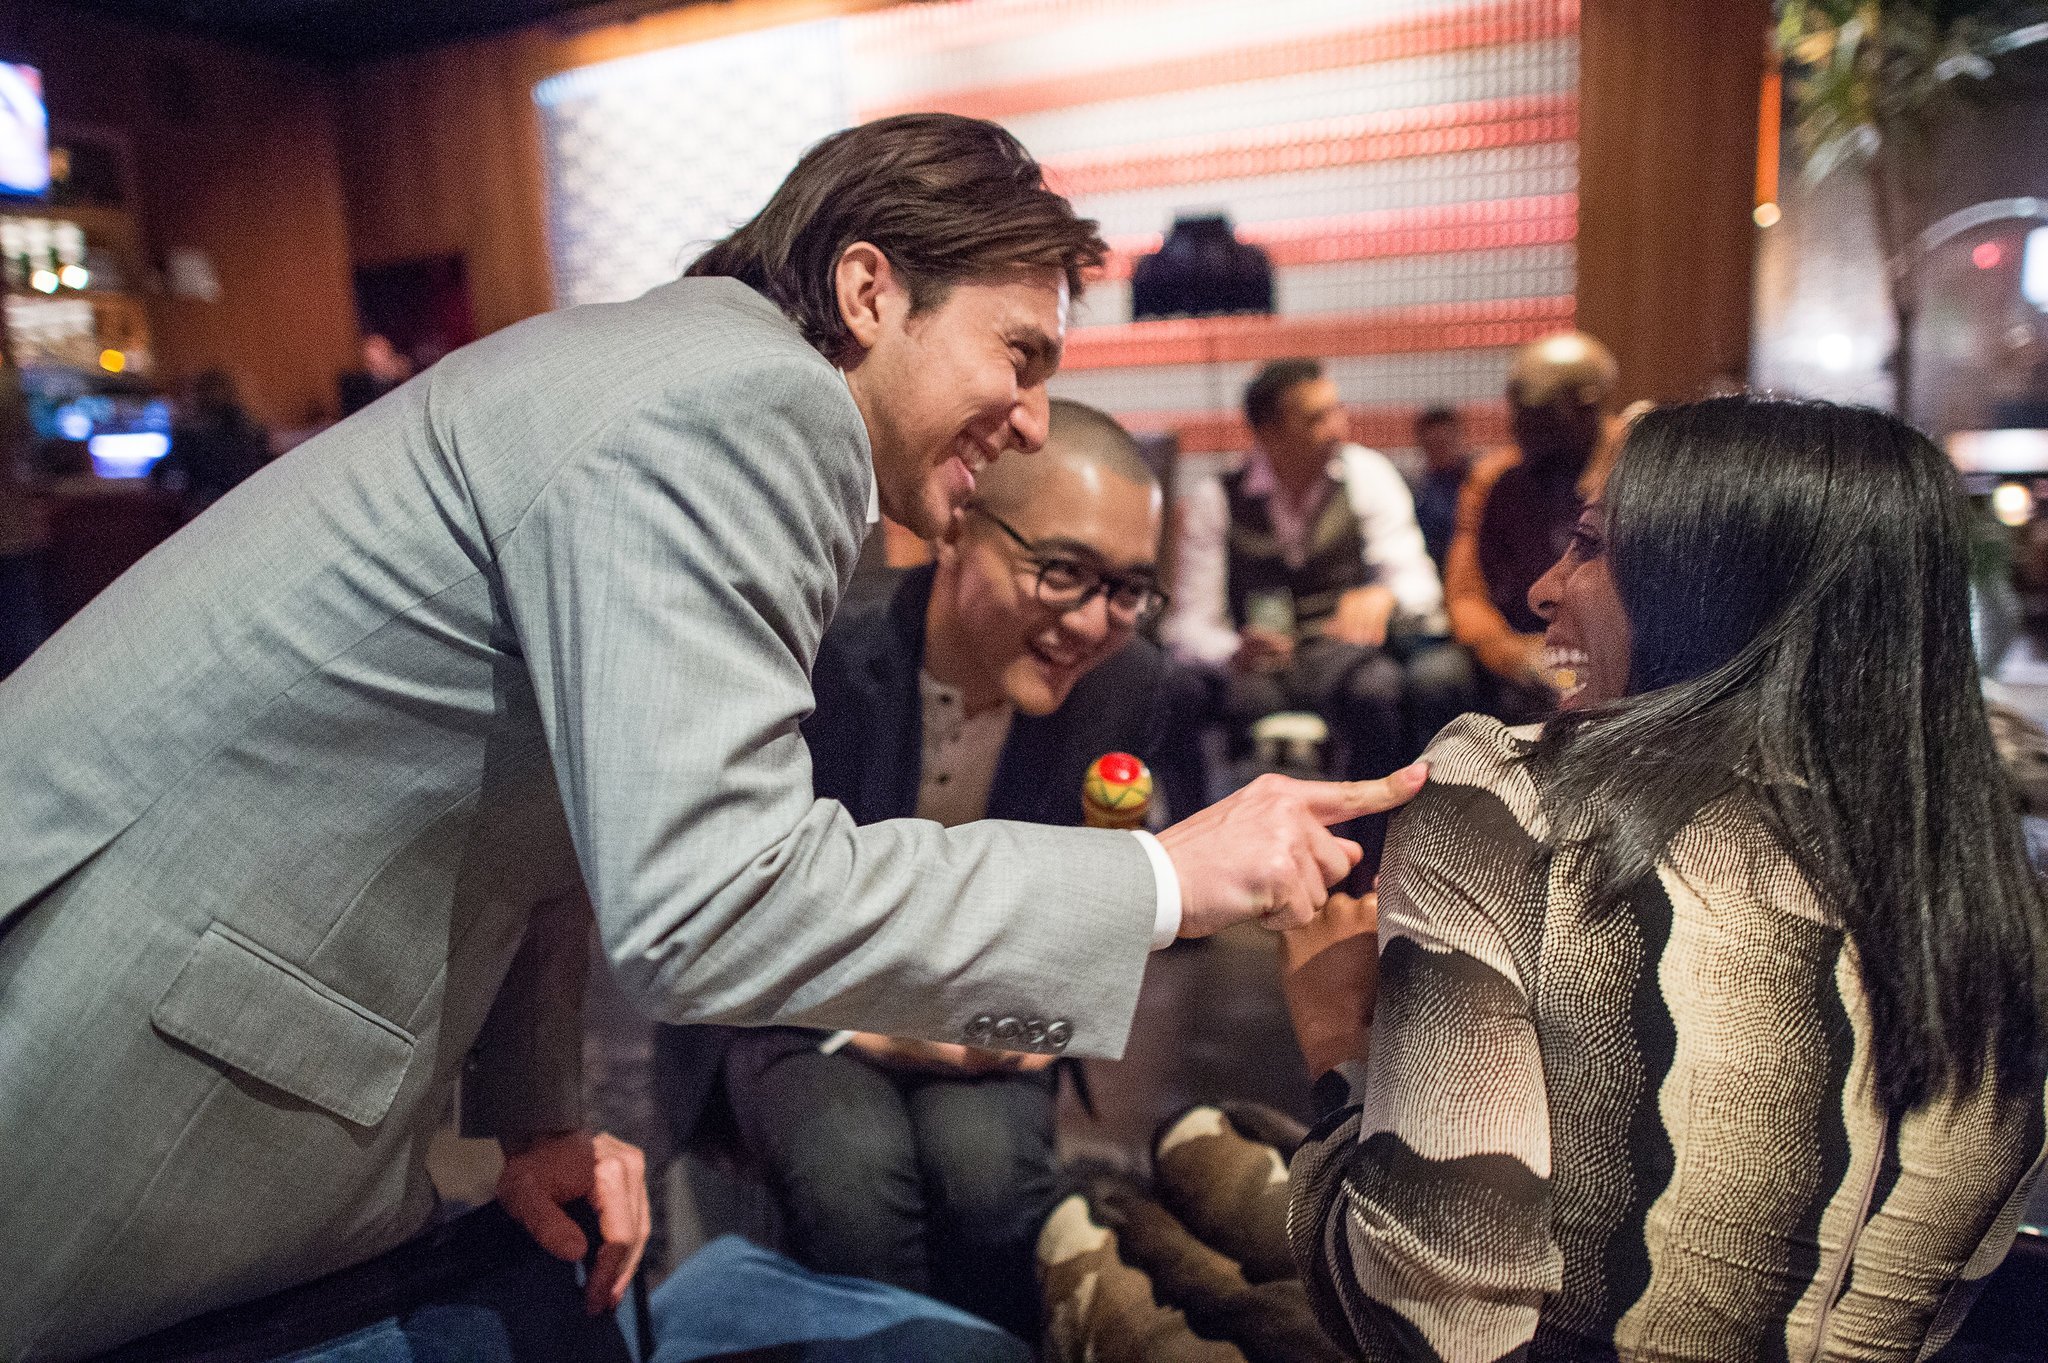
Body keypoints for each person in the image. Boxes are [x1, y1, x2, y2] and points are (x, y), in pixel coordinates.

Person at [0, 112, 1416, 1362]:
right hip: (126, 1009)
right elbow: (713, 896)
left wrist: (538, 1109)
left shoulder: (682, 370)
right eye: (1020, 351)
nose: (1034, 414)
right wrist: (1165, 879)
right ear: (871, 288)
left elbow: (547, 791)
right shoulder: (753, 406)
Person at [1283, 396, 2048, 1357]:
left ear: (1719, 588)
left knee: (1162, 1211)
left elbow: (1423, 1330)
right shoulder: (1997, 898)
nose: (1546, 590)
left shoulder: (1506, 800)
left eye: (1592, 546)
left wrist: (1334, 1045)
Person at [663, 399, 1172, 1341]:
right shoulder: (818, 665)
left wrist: (1042, 1008)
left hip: (993, 1011)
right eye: (1063, 572)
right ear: (955, 531)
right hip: (803, 1000)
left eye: (1131, 588)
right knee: (854, 1183)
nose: (1098, 622)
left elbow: (1100, 883)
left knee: (987, 1188)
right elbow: (737, 894)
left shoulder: (1128, 682)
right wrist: (893, 1029)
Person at [1162, 357, 1469, 869]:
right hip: (1255, 669)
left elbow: (1418, 583)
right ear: (1268, 433)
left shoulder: (1367, 474)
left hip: (1340, 656)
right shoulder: (1218, 498)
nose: (1338, 427)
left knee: (1382, 689)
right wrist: (1233, 648)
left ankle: (1371, 870)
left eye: (1336, 410)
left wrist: (1384, 596)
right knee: (1175, 689)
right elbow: (1189, 623)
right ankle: (1192, 864)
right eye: (1316, 417)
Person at [1443, 329, 1619, 720]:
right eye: (1518, 413)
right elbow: (1465, 593)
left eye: (1542, 415)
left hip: (1613, 644)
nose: (1520, 428)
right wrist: (1512, 653)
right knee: (1437, 679)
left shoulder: (1636, 464)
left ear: (1588, 406)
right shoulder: (1495, 479)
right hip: (1522, 647)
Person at [153, 368, 273, 520]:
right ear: (234, 393)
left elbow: (160, 473)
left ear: (198, 396)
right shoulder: (252, 429)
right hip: (248, 511)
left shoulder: (190, 434)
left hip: (204, 513)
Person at [1407, 404, 1472, 570]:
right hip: (1428, 572)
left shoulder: (1478, 484)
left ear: (1458, 437)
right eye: (1433, 444)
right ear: (1421, 443)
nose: (1440, 450)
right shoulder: (1412, 490)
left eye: (1445, 442)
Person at [336, 333, 415, 416]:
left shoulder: (402, 372)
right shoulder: (355, 386)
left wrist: (404, 375)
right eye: (375, 346)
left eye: (381, 348)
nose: (379, 352)